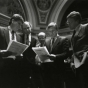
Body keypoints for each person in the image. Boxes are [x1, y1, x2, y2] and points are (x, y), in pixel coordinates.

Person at [42, 22, 69, 88]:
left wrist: (56, 57)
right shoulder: (46, 41)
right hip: (47, 70)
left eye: (53, 31)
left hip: (58, 70)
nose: (51, 33)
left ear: (57, 30)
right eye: (49, 31)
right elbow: (45, 53)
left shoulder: (63, 39)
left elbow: (66, 53)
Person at [0, 14, 24, 88]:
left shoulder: (19, 36)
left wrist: (20, 55)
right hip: (2, 66)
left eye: (21, 25)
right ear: (13, 21)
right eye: (19, 24)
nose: (20, 27)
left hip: (15, 67)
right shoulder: (1, 30)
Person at [67, 11, 88, 88]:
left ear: (77, 21)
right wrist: (72, 61)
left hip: (86, 62)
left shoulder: (86, 27)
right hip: (78, 64)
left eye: (70, 22)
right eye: (67, 22)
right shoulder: (73, 33)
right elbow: (74, 50)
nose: (68, 23)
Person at [22, 21, 38, 88]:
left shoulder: (35, 40)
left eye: (28, 28)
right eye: (24, 28)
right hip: (22, 65)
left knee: (33, 84)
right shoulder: (19, 37)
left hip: (32, 65)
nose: (26, 30)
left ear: (31, 27)